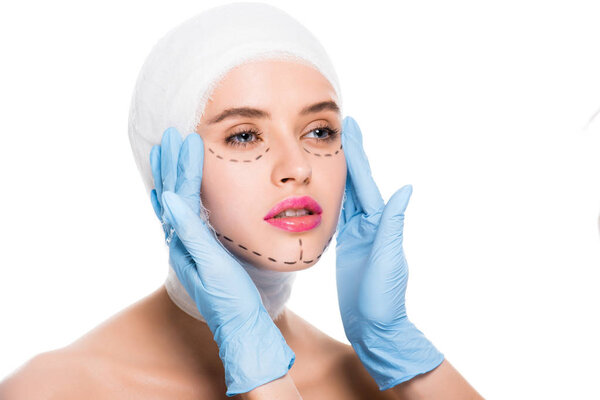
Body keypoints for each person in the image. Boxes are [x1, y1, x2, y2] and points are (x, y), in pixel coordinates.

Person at [0, 3, 483, 399]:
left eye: (319, 131)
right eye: (245, 136)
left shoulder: (377, 384)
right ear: (168, 173)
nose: (298, 166)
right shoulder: (57, 389)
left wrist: (394, 345)